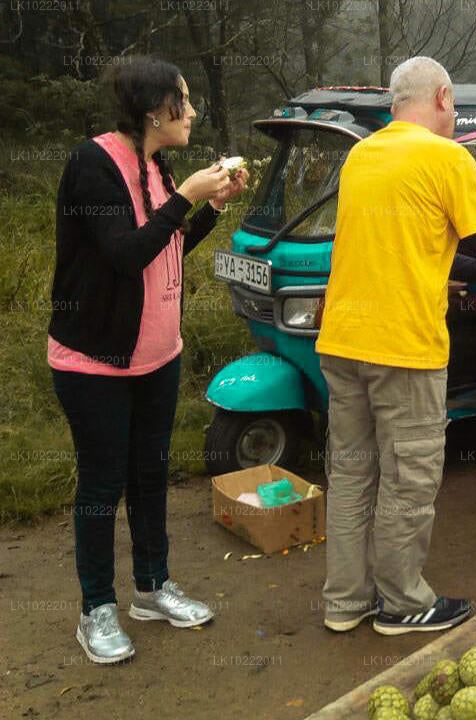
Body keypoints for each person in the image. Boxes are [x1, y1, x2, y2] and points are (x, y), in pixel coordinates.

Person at [315, 56, 476, 635]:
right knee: (408, 477)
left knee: (351, 473)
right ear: (444, 97)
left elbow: (418, 241)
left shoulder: (361, 154)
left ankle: (345, 602)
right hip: (404, 349)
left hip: (342, 340)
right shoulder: (448, 157)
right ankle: (402, 603)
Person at [48, 55, 247, 664]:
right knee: (103, 484)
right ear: (154, 110)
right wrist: (185, 196)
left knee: (150, 476)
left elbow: (170, 245)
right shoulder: (93, 164)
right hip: (96, 362)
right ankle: (96, 608)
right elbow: (126, 253)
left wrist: (207, 208)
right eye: (182, 102)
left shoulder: (156, 164)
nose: (190, 113)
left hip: (158, 357)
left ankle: (152, 587)